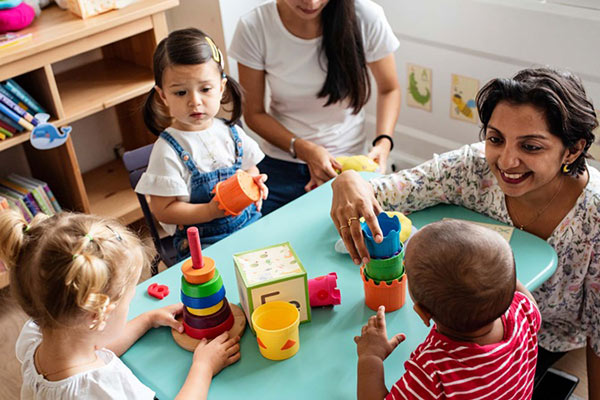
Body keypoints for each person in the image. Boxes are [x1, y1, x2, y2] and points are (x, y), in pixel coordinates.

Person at [331, 67, 600, 397]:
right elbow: (386, 191)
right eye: (495, 139)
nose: (507, 161)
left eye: (530, 147)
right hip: (495, 336)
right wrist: (347, 180)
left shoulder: (595, 213)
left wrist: (371, 359)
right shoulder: (471, 169)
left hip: (544, 341)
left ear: (572, 150)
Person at [0, 210, 241, 399]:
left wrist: (147, 320)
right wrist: (203, 368)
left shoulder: (36, 337)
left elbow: (94, 349)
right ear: (97, 315)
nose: (131, 306)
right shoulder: (103, 389)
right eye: (128, 300)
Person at [229, 0, 401, 215]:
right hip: (282, 163)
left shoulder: (366, 16)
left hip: (347, 164)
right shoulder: (255, 26)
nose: (311, 2)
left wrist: (384, 142)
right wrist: (305, 149)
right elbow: (253, 113)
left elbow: (389, 89)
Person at [355, 220, 541, 399]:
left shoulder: (433, 372)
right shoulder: (524, 313)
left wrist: (371, 356)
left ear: (423, 313)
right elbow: (517, 291)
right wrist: (494, 273)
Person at [137, 28, 268, 259]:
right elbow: (163, 210)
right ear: (162, 96)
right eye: (180, 93)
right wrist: (209, 211)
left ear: (221, 87)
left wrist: (253, 184)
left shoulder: (230, 132)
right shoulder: (167, 150)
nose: (194, 102)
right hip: (203, 243)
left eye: (205, 89)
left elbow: (249, 168)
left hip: (249, 224)